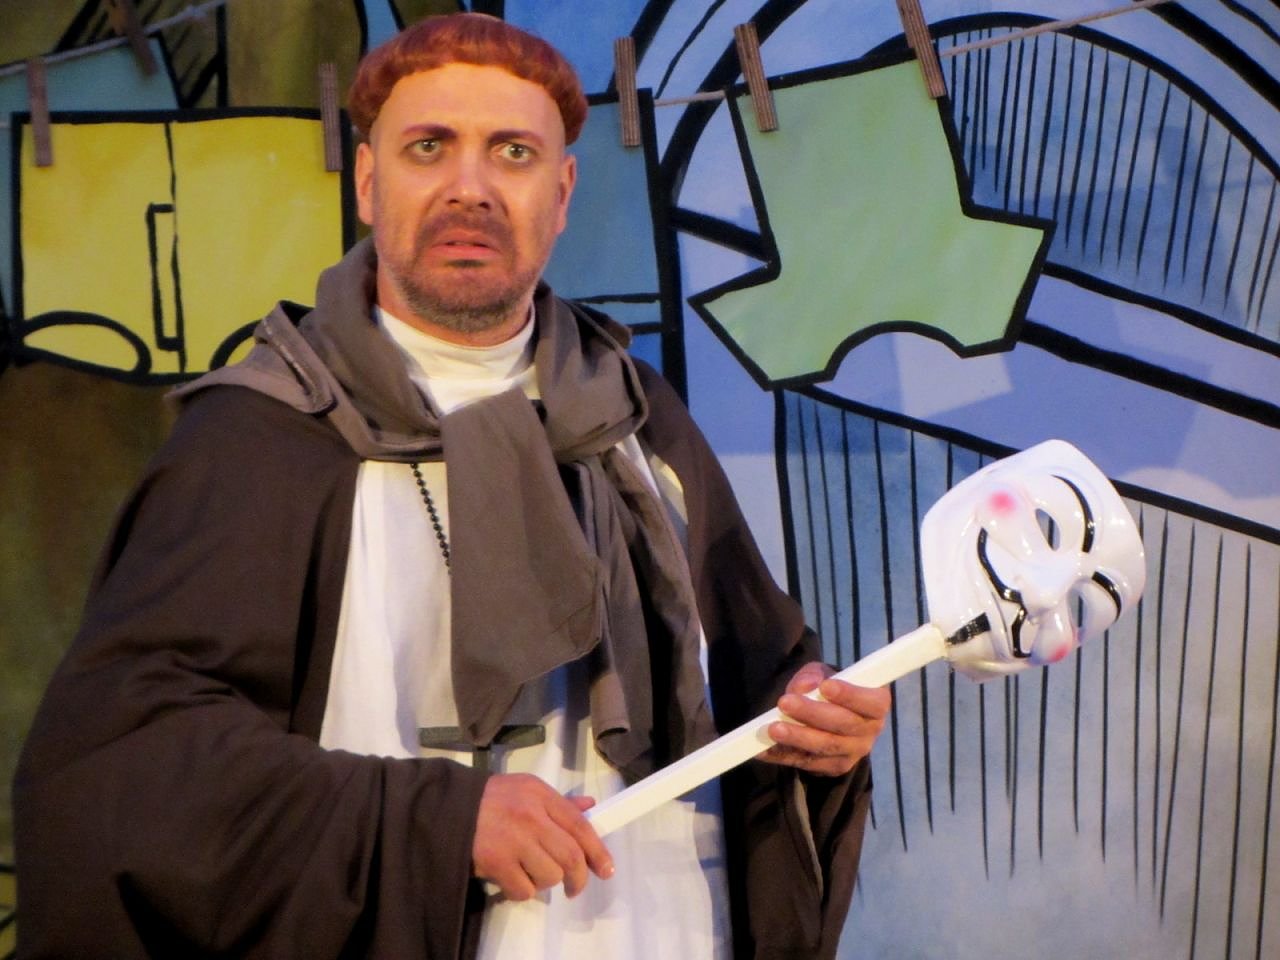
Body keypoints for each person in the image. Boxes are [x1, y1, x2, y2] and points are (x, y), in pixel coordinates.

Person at [13, 13, 890, 960]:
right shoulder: (260, 439)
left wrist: (815, 725)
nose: (470, 188)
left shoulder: (641, 423)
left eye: (512, 153)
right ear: (367, 181)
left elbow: (759, 681)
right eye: (429, 147)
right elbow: (128, 768)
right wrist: (439, 821)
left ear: (562, 193)